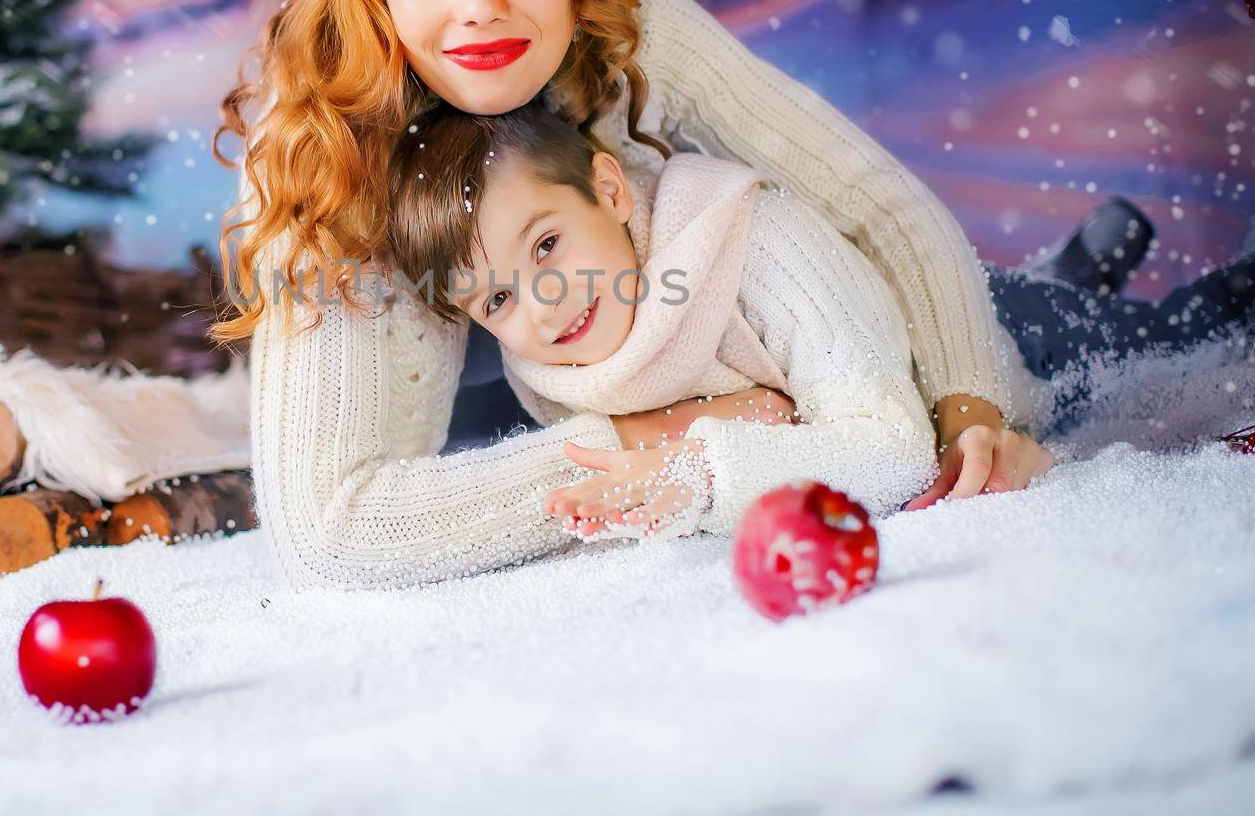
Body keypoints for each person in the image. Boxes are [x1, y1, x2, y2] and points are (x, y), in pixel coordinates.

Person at [209, 0, 1145, 588]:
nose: (480, 6)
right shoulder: (321, 149)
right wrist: (668, 439)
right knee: (504, 398)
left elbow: (871, 208)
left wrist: (969, 404)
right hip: (518, 385)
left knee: (1020, 343)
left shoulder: (625, 27)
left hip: (728, 323)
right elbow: (332, 529)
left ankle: (1049, 296)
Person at [383, 101, 1254, 541]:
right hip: (855, 335)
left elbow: (893, 446)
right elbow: (776, 416)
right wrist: (749, 414)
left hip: (987, 344)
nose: (541, 301)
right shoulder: (551, 361)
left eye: (546, 245)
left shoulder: (753, 244)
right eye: (495, 298)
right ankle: (1072, 266)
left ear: (610, 191)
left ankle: (1087, 287)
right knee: (1058, 296)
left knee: (1181, 340)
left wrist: (698, 461)